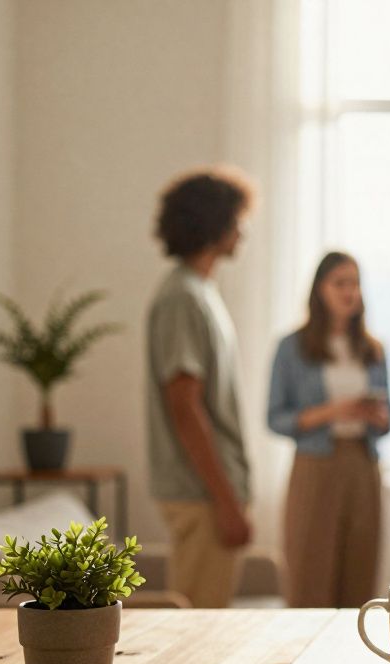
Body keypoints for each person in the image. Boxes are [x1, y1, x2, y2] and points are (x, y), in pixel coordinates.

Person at [146, 166, 257, 608]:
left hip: (210, 492)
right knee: (199, 634)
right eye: (237, 218)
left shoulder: (200, 292)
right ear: (215, 224)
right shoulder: (182, 297)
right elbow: (184, 406)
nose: (243, 231)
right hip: (201, 495)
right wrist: (225, 501)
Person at [268, 251, 390, 607]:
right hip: (314, 465)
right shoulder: (292, 348)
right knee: (309, 573)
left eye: (354, 283)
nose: (349, 291)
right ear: (320, 289)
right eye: (340, 283)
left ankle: (355, 654)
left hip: (363, 465)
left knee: (361, 573)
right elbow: (275, 417)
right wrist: (333, 411)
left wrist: (375, 416)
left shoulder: (373, 349)